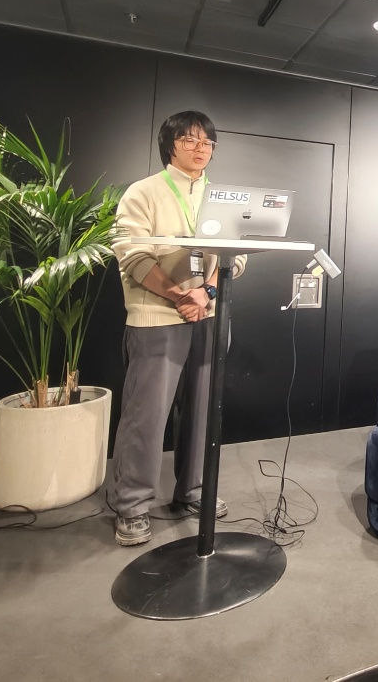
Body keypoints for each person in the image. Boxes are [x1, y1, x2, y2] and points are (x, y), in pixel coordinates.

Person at [108, 110, 245, 547]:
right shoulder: (143, 192)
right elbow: (132, 256)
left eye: (207, 142)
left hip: (209, 315)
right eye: (190, 140)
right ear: (170, 144)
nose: (200, 148)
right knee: (146, 416)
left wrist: (205, 293)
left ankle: (193, 491)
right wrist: (179, 296)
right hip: (157, 319)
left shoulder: (222, 197)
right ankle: (132, 506)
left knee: (204, 411)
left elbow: (237, 255)